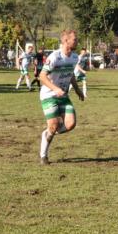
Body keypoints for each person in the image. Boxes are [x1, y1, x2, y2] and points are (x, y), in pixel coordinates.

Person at [38, 30, 85, 165]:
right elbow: (42, 76)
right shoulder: (55, 57)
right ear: (66, 41)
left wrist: (77, 90)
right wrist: (55, 88)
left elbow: (70, 75)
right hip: (49, 96)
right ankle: (43, 155)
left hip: (63, 95)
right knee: (53, 126)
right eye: (74, 40)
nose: (77, 41)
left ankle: (49, 132)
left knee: (70, 124)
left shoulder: (75, 57)